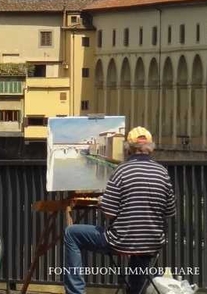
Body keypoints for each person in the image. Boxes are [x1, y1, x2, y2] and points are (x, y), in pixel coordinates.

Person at [63, 126, 176, 294]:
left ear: (128, 148)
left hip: (121, 240)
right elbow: (170, 212)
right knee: (141, 249)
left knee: (72, 233)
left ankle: (76, 292)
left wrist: (103, 201)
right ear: (151, 147)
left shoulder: (122, 171)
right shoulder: (162, 173)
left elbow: (109, 212)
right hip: (152, 242)